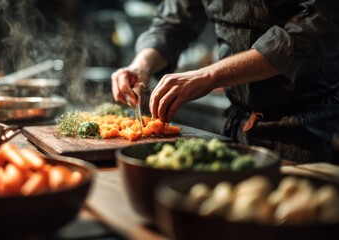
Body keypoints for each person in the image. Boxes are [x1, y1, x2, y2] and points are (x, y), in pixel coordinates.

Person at [111, 0, 339, 164]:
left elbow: (315, 30)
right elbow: (172, 24)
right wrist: (140, 65)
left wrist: (209, 75)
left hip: (307, 127)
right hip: (237, 124)